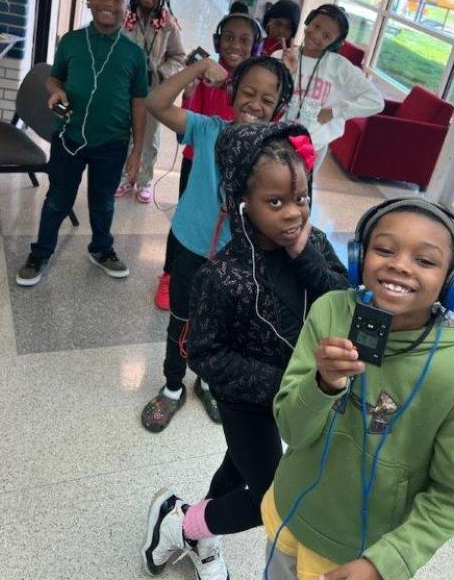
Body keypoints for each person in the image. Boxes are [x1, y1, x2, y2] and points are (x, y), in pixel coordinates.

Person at [142, 121, 349, 580]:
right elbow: (205, 355)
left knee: (238, 467)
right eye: (275, 202)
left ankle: (200, 530)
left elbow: (342, 298)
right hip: (248, 402)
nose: (293, 213)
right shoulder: (221, 276)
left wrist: (306, 258)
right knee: (274, 499)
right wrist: (288, 383)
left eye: (301, 199)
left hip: (294, 398)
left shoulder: (313, 244)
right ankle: (181, 526)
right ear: (241, 202)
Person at [262, 197, 454, 580]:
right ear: (359, 256)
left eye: (425, 260)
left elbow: (451, 496)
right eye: (385, 250)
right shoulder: (330, 312)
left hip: (362, 554)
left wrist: (385, 563)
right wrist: (322, 384)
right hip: (291, 513)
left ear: (453, 283)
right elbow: (291, 430)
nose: (400, 265)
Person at [141, 55, 294, 431]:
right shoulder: (207, 129)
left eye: (267, 99)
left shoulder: (275, 156)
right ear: (232, 93)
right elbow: (155, 103)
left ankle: (207, 382)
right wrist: (198, 68)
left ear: (279, 109)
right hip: (190, 246)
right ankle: (173, 386)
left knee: (225, 327)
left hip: (237, 259)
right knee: (182, 320)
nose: (255, 104)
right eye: (248, 93)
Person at [15, 0, 148, 286]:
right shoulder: (71, 41)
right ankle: (40, 252)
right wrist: (56, 91)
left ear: (126, 7)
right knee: (57, 199)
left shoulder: (134, 55)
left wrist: (137, 152)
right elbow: (54, 78)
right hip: (69, 137)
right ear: (88, 1)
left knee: (104, 201)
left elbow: (139, 104)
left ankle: (101, 249)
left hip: (112, 142)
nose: (107, 3)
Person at [152, 11, 264, 310]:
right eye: (228, 38)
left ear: (255, 47)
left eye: (244, 40)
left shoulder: (252, 82)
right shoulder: (206, 75)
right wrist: (190, 86)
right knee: (187, 216)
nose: (235, 45)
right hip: (200, 158)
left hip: (238, 161)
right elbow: (185, 121)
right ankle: (169, 273)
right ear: (217, 41)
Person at [277, 4, 383, 170]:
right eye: (316, 26)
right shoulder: (281, 56)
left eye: (326, 35)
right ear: (308, 21)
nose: (316, 35)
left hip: (313, 146)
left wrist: (334, 112)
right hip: (276, 139)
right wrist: (286, 71)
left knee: (301, 187)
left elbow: (376, 101)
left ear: (335, 42)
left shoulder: (340, 67)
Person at [115, 0, 185, 203]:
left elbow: (179, 56)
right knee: (125, 133)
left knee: (149, 137)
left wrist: (162, 73)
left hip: (154, 91)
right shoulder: (125, 19)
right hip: (126, 89)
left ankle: (144, 181)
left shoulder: (168, 25)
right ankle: (126, 177)